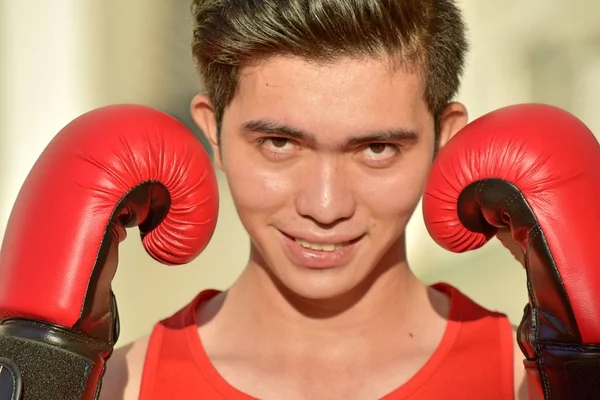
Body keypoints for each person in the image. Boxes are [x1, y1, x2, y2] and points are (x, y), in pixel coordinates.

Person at [100, 0, 528, 398]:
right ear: (213, 131)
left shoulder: (526, 382)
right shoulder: (122, 388)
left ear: (444, 140)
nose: (325, 207)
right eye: (278, 143)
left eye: (377, 148)